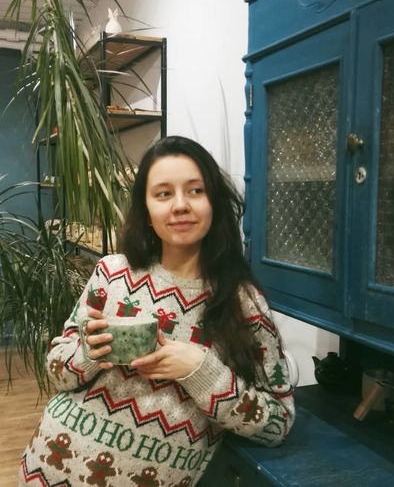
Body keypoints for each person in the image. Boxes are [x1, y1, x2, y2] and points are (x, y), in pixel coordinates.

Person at [19, 136, 295, 486]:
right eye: (163, 194)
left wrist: (201, 372)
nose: (180, 205)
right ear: (147, 212)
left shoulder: (243, 302)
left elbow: (278, 424)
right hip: (44, 471)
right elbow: (56, 372)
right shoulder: (111, 273)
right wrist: (88, 354)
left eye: (195, 190)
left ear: (214, 202)